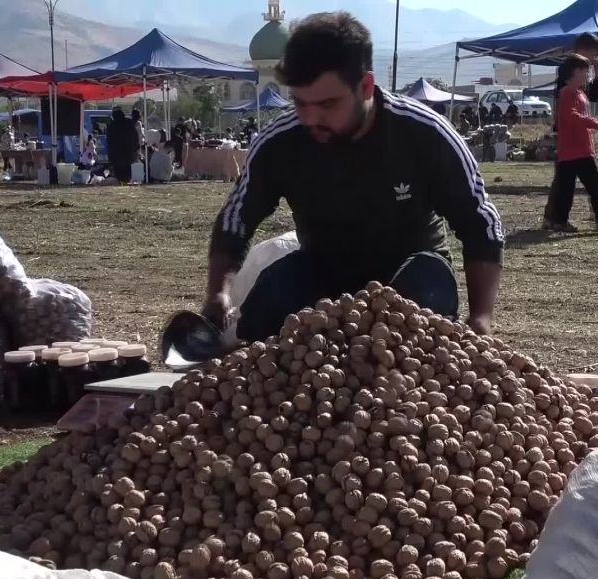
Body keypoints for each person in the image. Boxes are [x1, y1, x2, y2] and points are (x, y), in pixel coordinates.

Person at [202, 11, 504, 343]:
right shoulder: (281, 141)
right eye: (300, 103)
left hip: (410, 271)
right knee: (273, 294)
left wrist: (481, 320)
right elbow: (236, 219)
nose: (311, 118)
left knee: (425, 286)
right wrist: (218, 293)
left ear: (365, 86)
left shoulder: (424, 133)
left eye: (328, 104)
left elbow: (481, 224)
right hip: (322, 271)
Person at [543, 32, 598, 230]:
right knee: (564, 187)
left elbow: (592, 97)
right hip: (569, 145)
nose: (595, 58)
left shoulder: (579, 87)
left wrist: (596, 75)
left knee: (592, 184)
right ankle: (556, 220)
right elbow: (570, 114)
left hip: (583, 146)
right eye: (593, 54)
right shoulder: (567, 85)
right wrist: (595, 124)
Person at [107, 107, 139, 183]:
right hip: (129, 154)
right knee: (127, 174)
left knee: (119, 175)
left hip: (116, 156)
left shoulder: (111, 126)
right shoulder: (129, 122)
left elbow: (109, 141)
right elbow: (135, 137)